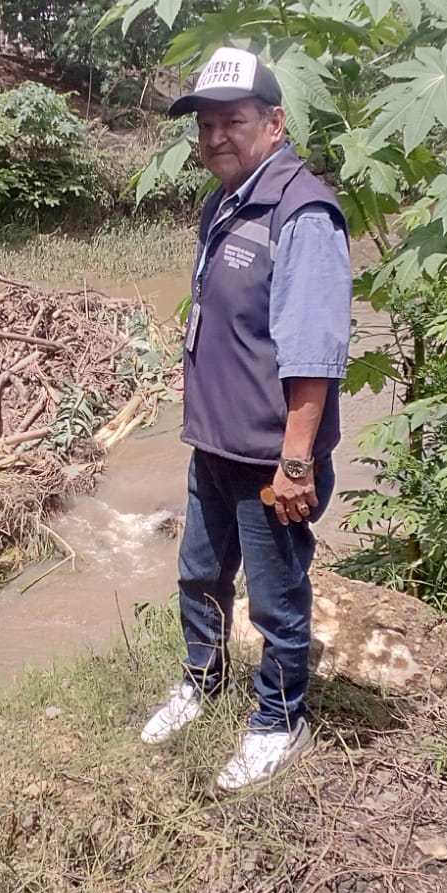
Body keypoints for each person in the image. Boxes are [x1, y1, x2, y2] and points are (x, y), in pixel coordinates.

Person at [139, 46, 352, 791]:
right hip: (216, 442)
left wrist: (296, 461)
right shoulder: (226, 201)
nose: (216, 137)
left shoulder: (303, 214)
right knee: (200, 573)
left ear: (275, 123)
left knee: (275, 594)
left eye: (232, 121)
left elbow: (314, 355)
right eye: (205, 125)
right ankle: (201, 681)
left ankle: (280, 720)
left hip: (271, 455)